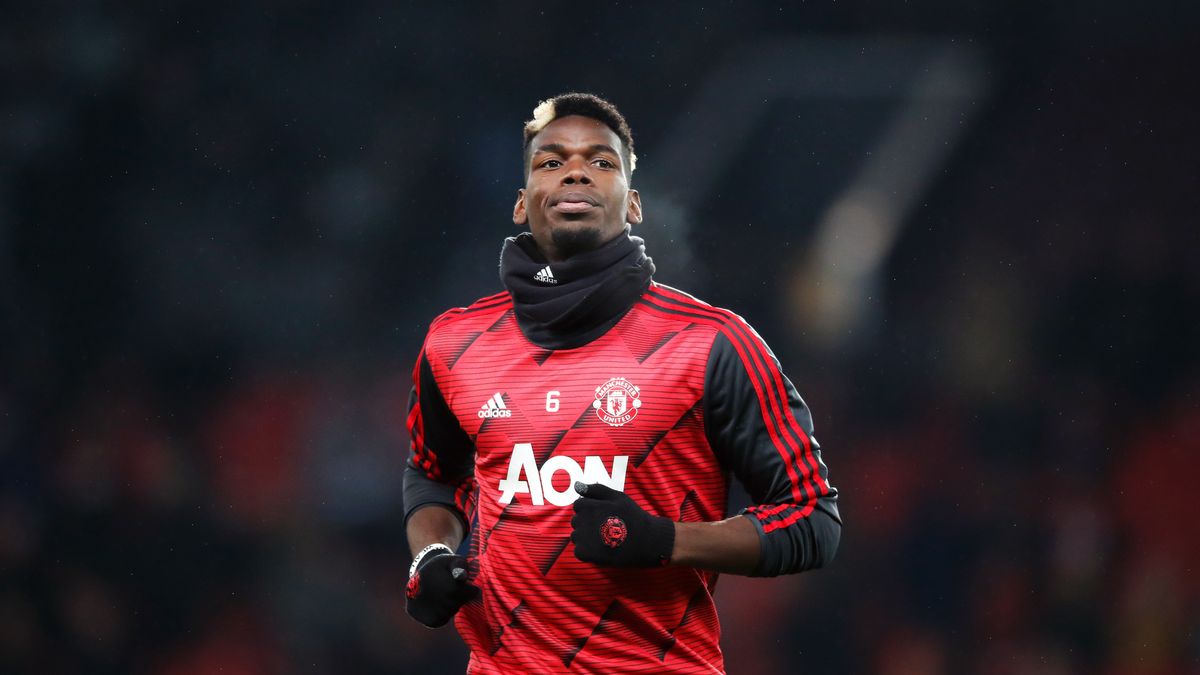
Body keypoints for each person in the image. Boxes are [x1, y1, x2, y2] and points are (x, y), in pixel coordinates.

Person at [402, 92, 841, 674]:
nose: (576, 170)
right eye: (550, 161)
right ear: (520, 203)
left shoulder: (712, 344)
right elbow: (432, 473)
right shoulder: (454, 343)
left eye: (602, 161)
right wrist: (431, 554)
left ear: (633, 204)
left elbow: (812, 520)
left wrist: (666, 540)